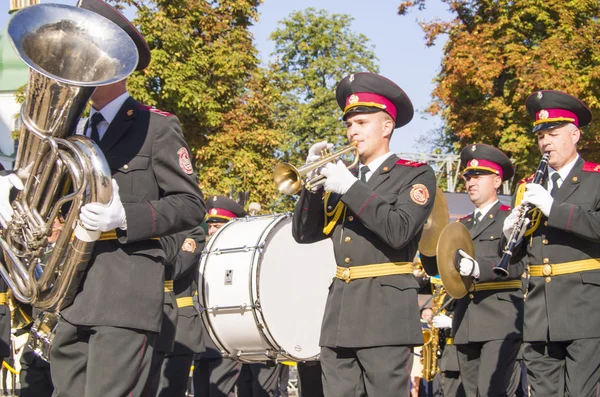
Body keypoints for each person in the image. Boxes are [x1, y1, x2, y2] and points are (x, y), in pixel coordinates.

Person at [46, 1, 206, 396]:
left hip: (125, 296)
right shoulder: (71, 132)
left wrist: (125, 217)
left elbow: (190, 205)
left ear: (116, 61)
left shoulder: (156, 126)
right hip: (73, 297)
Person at [292, 72, 437, 396]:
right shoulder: (343, 179)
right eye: (349, 124)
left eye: (361, 122)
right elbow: (303, 234)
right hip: (340, 317)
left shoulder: (414, 175)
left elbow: (398, 231)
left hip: (386, 317)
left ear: (386, 127)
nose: (352, 131)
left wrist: (351, 188)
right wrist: (312, 186)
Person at [503, 90, 600, 395]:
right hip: (539, 313)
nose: (545, 142)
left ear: (575, 135)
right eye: (541, 135)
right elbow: (517, 262)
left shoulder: (596, 179)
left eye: (553, 133)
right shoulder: (528, 186)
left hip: (584, 308)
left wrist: (553, 209)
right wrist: (510, 239)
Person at [422, 144, 524, 396]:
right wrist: (425, 237)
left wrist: (480, 269)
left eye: (478, 176)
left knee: (494, 392)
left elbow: (519, 263)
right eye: (468, 177)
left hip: (499, 319)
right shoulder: (461, 224)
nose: (470, 182)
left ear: (497, 181)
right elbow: (438, 269)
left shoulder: (510, 218)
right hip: (466, 321)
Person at [194, 195, 247, 397]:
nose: (213, 230)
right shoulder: (200, 253)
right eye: (211, 226)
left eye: (219, 226)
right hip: (201, 337)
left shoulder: (238, 257)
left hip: (225, 335)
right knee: (201, 391)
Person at [156, 225, 206, 397]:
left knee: (168, 391)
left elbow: (176, 268)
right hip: (143, 318)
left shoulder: (191, 232)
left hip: (178, 327)